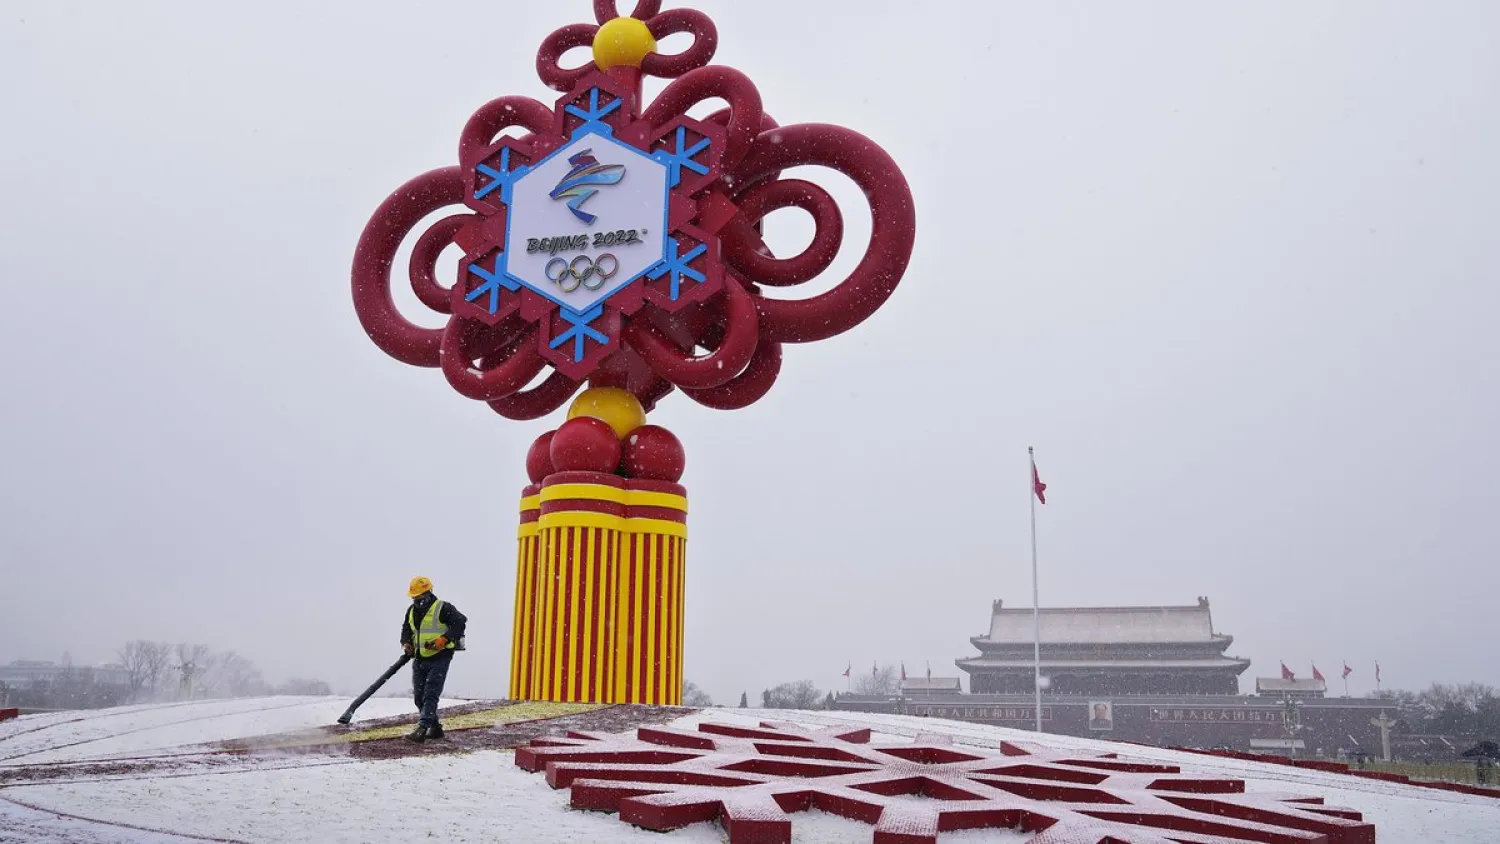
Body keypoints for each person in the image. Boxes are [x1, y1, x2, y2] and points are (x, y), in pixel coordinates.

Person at [400, 576, 467, 743]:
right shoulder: (411, 611)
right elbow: (406, 629)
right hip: (420, 657)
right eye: (414, 597)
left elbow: (460, 622)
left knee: (431, 693)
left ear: (428, 593)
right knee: (419, 696)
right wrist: (406, 642)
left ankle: (422, 729)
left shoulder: (443, 608)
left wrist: (444, 639)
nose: (416, 600)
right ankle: (435, 728)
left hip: (440, 657)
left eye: (419, 596)